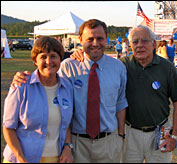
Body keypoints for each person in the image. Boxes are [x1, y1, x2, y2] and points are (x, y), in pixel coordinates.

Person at [10, 19, 128, 163]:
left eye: (100, 38)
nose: (95, 43)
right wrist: (22, 78)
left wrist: (121, 134)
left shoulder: (118, 68)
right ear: (80, 39)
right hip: (77, 143)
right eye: (90, 39)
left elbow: (121, 102)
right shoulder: (67, 67)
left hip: (108, 142)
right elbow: (46, 77)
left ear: (106, 38)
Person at [2, 36, 73, 163]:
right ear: (35, 60)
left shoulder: (67, 87)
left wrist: (68, 147)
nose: (48, 61)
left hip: (55, 158)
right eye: (43, 57)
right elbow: (8, 127)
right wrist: (21, 159)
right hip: (23, 159)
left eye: (53, 56)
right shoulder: (21, 85)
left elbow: (67, 124)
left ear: (60, 59)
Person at [120, 25, 177, 163]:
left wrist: (174, 137)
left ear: (153, 44)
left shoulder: (167, 68)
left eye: (144, 41)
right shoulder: (122, 65)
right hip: (130, 132)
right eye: (135, 42)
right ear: (130, 45)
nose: (140, 45)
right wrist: (80, 55)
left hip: (160, 132)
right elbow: (99, 62)